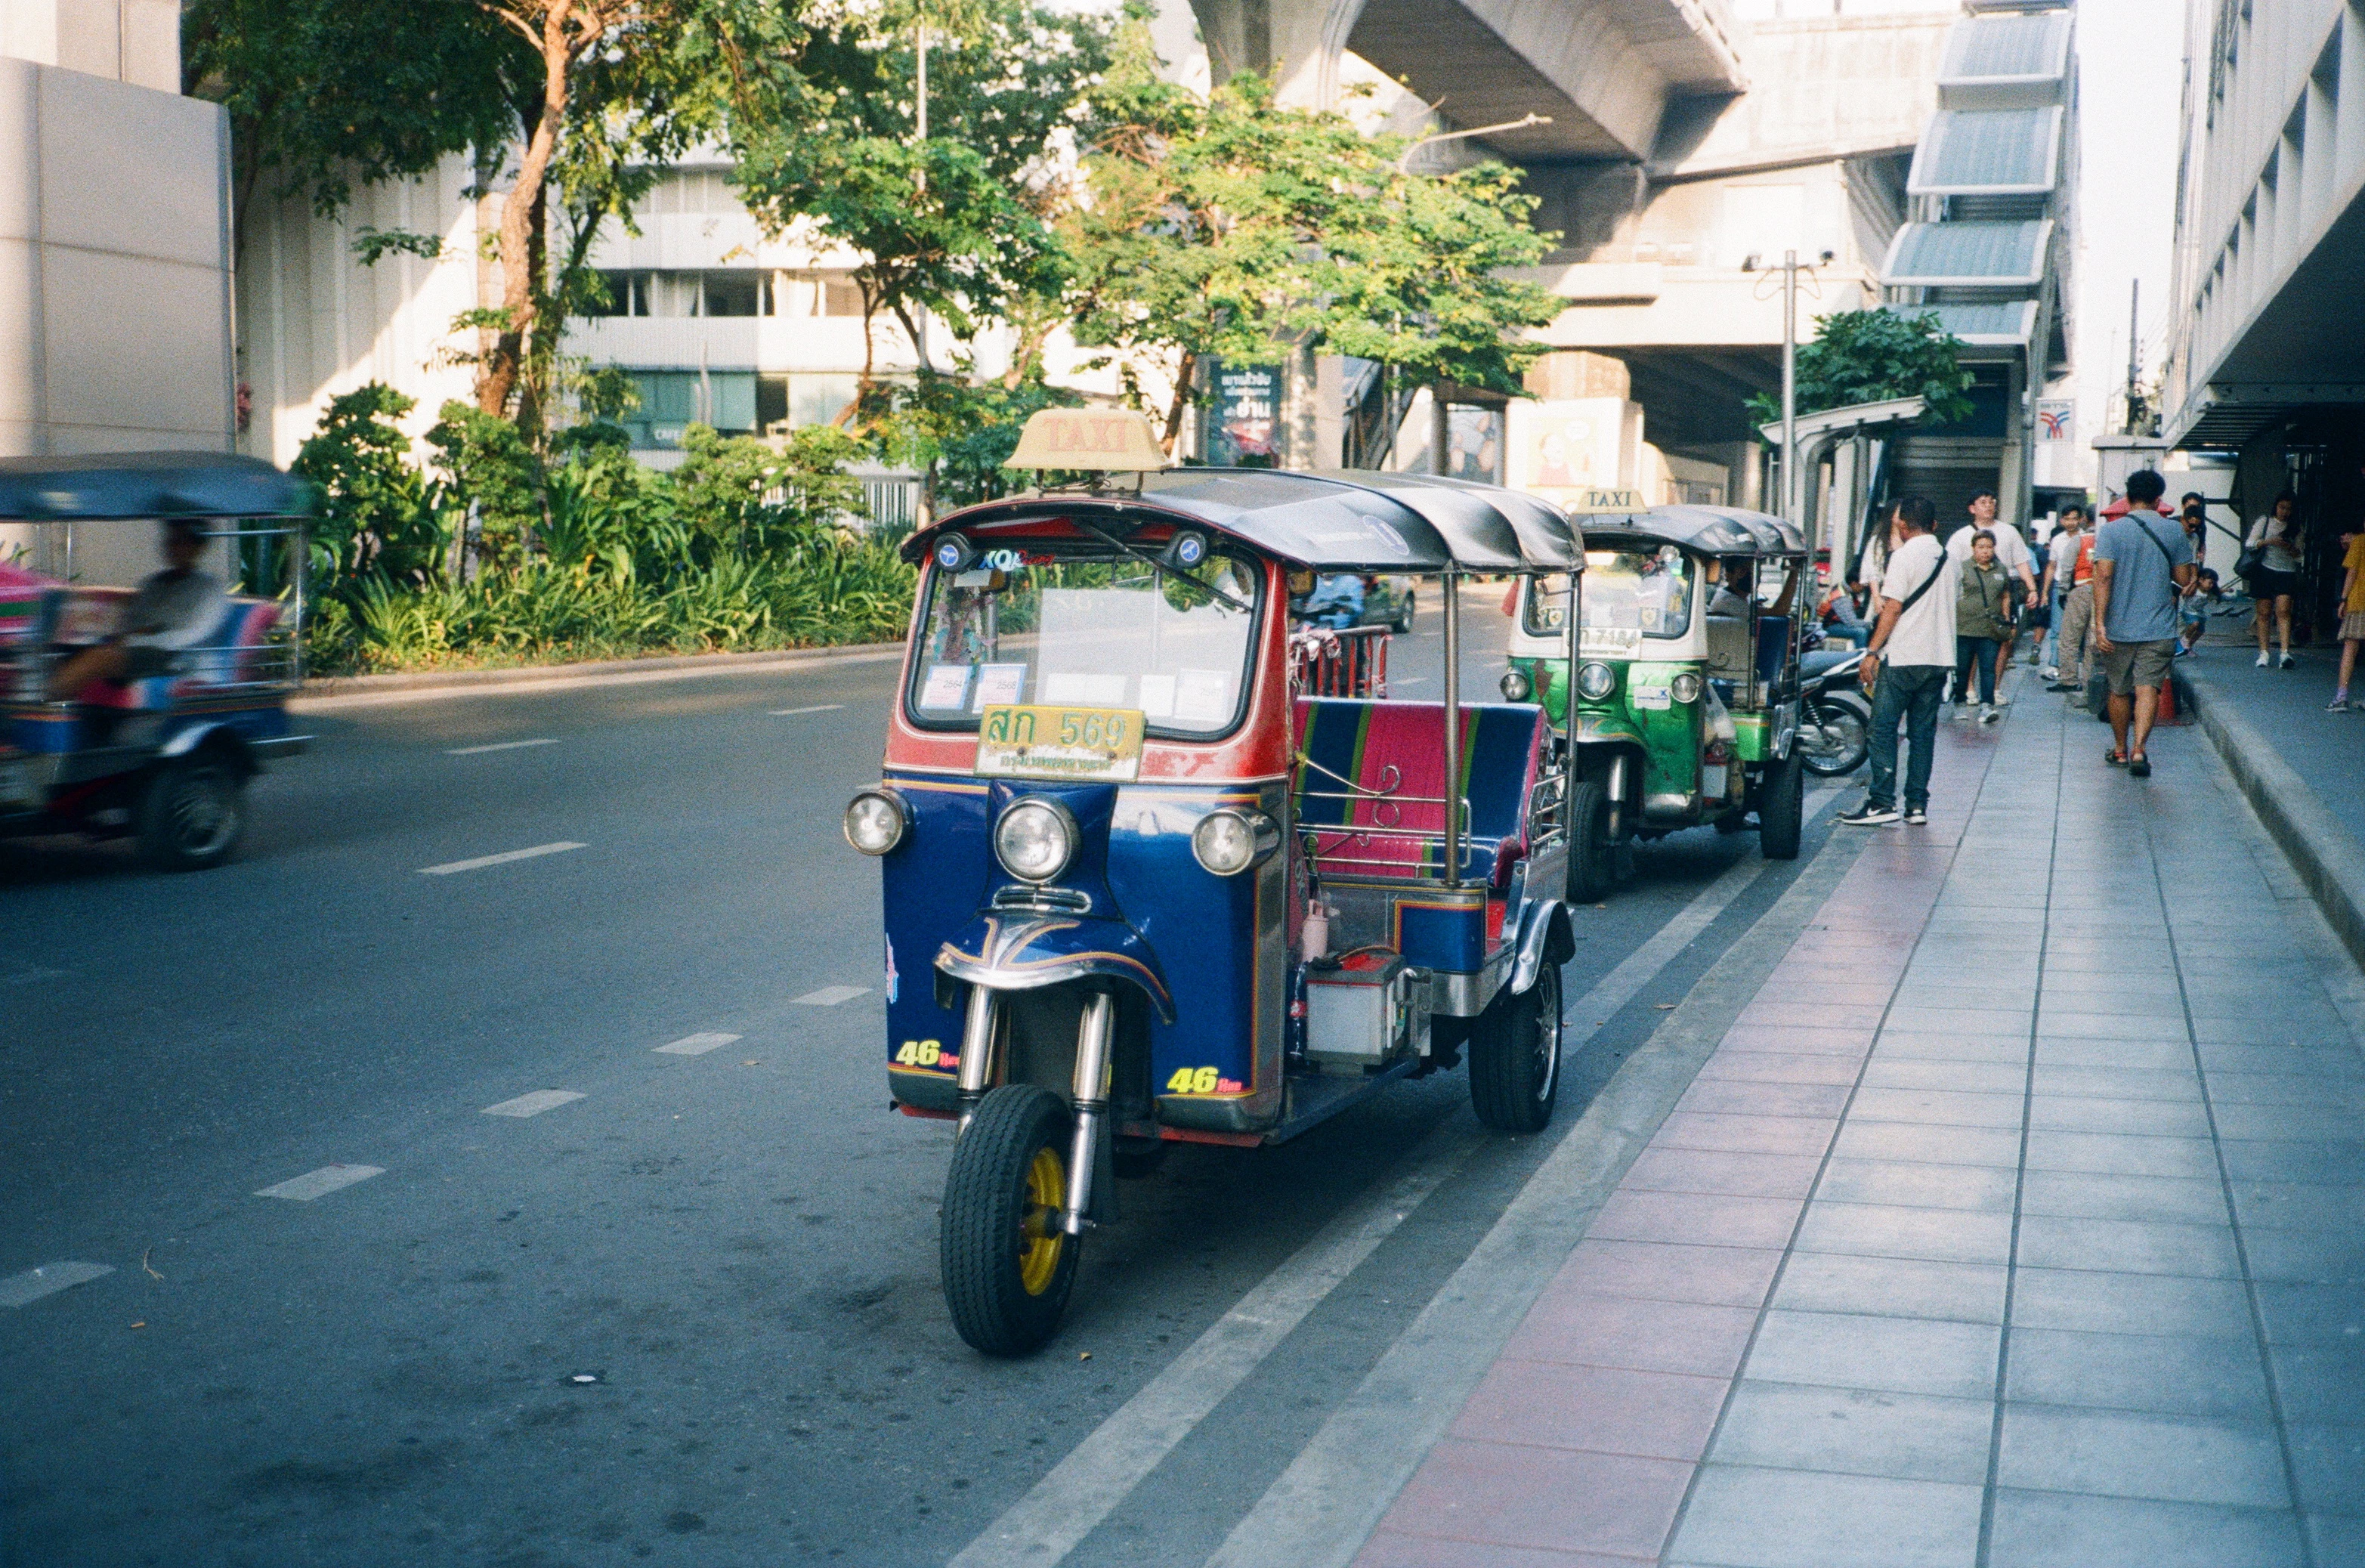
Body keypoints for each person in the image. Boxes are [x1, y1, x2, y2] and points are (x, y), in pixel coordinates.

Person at [1840, 495, 1957, 827]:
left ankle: (1881, 802)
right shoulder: (1951, 558)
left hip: (1904, 656)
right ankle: (1917, 806)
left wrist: (1872, 651)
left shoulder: (1903, 558)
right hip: (1939, 658)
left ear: (1903, 526)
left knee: (1883, 728)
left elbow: (1892, 608)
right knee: (1923, 734)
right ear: (1935, 525)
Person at [45, 519, 227, 700]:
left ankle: (46, 704)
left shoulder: (209, 588)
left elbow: (190, 636)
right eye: (172, 539)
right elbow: (132, 624)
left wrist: (137, 638)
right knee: (65, 651)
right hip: (139, 649)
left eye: (181, 540)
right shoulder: (153, 584)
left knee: (103, 656)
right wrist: (127, 637)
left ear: (198, 546)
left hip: (175, 658)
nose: (173, 546)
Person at [2092, 469, 2197, 778]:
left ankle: (2120, 750)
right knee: (2149, 687)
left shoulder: (2111, 531)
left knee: (2119, 689)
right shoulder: (2174, 531)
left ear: (2127, 496)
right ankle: (2140, 749)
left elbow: (2104, 577)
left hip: (2118, 627)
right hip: (2159, 626)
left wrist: (2099, 624)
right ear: (2158, 499)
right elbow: (2183, 579)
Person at [1946, 490, 2039, 691]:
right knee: (1972, 642)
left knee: (2005, 639)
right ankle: (1969, 688)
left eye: (1991, 502)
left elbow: (2022, 562)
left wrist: (2032, 589)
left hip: (2003, 591)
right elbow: (1951, 568)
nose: (1988, 506)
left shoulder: (2009, 532)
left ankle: (1994, 689)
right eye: (1983, 502)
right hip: (1971, 594)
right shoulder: (1960, 537)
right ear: (1972, 509)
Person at [1952, 530, 2011, 722]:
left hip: (1990, 628)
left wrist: (2006, 618)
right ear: (1973, 548)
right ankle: (1959, 702)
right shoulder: (1962, 568)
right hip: (1965, 627)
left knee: (1988, 668)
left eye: (1989, 547)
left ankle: (1987, 705)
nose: (1985, 551)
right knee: (1962, 668)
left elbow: (2005, 596)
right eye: (1981, 547)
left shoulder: (2001, 570)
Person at [2246, 492, 2305, 669]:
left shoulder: (2297, 528)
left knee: (2284, 610)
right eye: (2282, 507)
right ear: (2276, 506)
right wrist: (2268, 542)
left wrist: (2291, 549)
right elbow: (2249, 543)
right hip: (2264, 570)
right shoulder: (2264, 521)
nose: (2285, 512)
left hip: (2286, 571)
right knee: (2263, 613)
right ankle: (2264, 652)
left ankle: (2284, 653)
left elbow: (2300, 556)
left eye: (2289, 509)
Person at [2332, 528, 2365, 710]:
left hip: (2359, 601)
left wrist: (2343, 599)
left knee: (2350, 647)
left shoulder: (2360, 542)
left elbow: (2352, 572)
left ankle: (2341, 698)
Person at [2178, 568, 2221, 656]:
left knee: (2200, 631)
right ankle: (2184, 639)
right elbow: (2184, 592)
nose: (2211, 585)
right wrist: (2192, 583)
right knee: (2195, 624)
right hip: (2188, 611)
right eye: (2210, 582)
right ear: (2201, 580)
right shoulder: (2195, 589)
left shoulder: (2208, 592)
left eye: (2213, 583)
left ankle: (2188, 646)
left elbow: (2219, 591)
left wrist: (2227, 590)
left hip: (2199, 613)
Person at [1300, 573, 1365, 629]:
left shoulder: (1351, 581)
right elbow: (1297, 604)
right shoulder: (1309, 580)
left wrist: (1339, 608)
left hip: (1342, 631)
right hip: (1311, 628)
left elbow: (1357, 608)